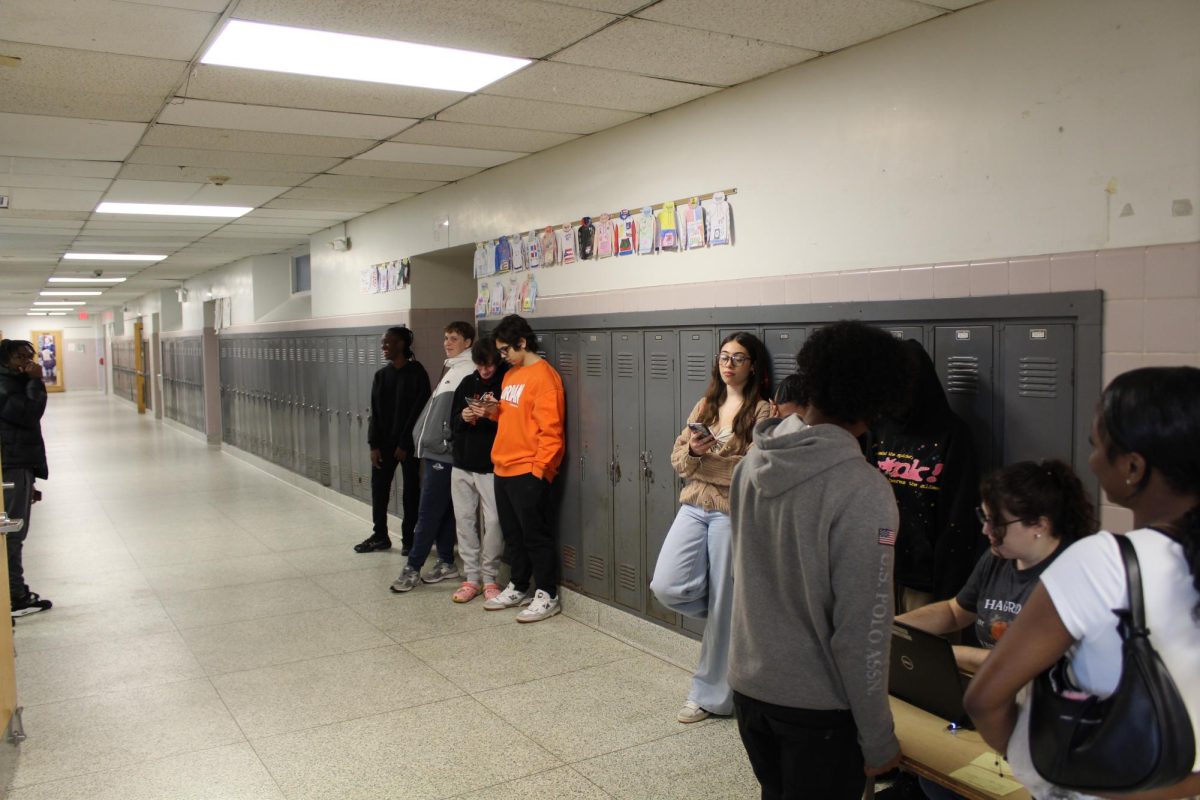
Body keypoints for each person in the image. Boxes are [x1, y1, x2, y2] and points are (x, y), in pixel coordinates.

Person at [964, 366, 1200, 800]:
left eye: (1097, 446)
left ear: (1133, 467)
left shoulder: (1102, 562)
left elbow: (985, 698)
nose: (1090, 461)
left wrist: (1041, 770)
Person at [728, 320, 912, 800]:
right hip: (818, 711)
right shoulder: (862, 488)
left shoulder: (752, 463)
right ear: (877, 400)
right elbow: (862, 631)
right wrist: (878, 738)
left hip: (751, 690)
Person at [896, 459, 1095, 800]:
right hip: (994, 704)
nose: (986, 530)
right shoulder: (998, 557)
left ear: (1039, 525)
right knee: (936, 778)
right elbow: (954, 612)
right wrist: (890, 628)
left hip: (1041, 721)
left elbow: (1037, 669)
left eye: (997, 522)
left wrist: (950, 653)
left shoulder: (1072, 576)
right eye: (984, 517)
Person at [650, 331, 771, 724]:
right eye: (723, 356)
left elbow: (750, 470)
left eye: (738, 358)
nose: (728, 364)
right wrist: (695, 454)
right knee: (665, 585)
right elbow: (677, 458)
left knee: (724, 604)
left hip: (731, 512)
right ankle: (731, 616)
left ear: (753, 365)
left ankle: (709, 696)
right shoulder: (707, 404)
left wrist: (703, 462)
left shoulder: (764, 412)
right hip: (694, 503)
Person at [872, 340, 981, 612]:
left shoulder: (952, 433)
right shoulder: (877, 428)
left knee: (922, 650)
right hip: (882, 564)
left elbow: (960, 512)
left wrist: (948, 583)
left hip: (928, 575)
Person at [479, 315, 566, 623]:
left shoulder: (544, 377)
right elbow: (510, 416)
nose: (502, 357)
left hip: (528, 469)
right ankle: (518, 584)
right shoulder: (511, 375)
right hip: (503, 465)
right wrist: (491, 412)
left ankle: (547, 593)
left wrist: (540, 471)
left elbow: (551, 430)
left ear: (522, 343)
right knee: (513, 535)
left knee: (535, 535)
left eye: (505, 350)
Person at [391, 322, 477, 591]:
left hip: (444, 452)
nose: (447, 342)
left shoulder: (466, 371)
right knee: (445, 510)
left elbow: (459, 417)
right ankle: (446, 561)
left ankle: (413, 567)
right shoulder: (453, 368)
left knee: (428, 511)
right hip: (437, 451)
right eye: (445, 337)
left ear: (468, 343)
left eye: (454, 338)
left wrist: (443, 440)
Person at [355, 326, 429, 555]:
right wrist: (373, 445)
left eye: (388, 343)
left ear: (401, 345)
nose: (383, 347)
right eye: (383, 343)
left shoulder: (417, 373)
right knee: (379, 490)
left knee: (411, 492)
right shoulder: (381, 376)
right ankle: (380, 535)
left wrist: (405, 444)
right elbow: (375, 414)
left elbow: (420, 411)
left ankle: (409, 539)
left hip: (408, 445)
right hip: (384, 445)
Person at [446, 338, 508, 604]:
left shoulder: (507, 383)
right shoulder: (467, 384)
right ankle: (471, 578)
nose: (485, 371)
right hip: (462, 464)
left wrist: (492, 415)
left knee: (494, 522)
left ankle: (490, 577)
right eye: (481, 365)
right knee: (465, 521)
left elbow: (513, 424)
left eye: (490, 365)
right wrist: (464, 417)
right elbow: (452, 422)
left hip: (491, 466)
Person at [0, 339, 53, 617]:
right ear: (6, 359)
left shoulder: (12, 382)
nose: (28, 363)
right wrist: (36, 381)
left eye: (30, 357)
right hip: (11, 467)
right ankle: (14, 596)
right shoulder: (5, 385)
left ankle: (15, 592)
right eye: (21, 357)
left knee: (13, 532)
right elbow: (30, 414)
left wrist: (30, 479)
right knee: (11, 533)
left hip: (18, 466)